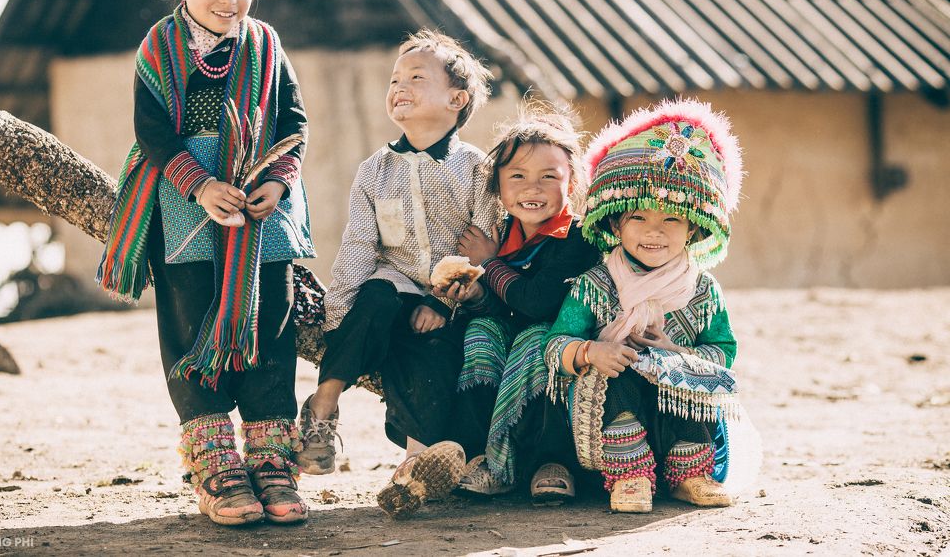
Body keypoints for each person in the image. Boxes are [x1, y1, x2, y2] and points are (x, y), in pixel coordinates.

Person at [97, 0, 315, 526]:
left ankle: (272, 463)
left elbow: (293, 124)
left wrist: (276, 180)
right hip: (183, 204)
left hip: (260, 210)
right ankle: (218, 466)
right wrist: (201, 186)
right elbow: (153, 134)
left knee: (270, 324)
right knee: (190, 323)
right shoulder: (159, 48)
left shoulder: (266, 45)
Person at [295, 29, 499, 518]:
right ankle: (323, 405)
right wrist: (337, 319)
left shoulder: (477, 169)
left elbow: (484, 245)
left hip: (454, 300)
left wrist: (442, 302)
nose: (399, 87)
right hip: (393, 286)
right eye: (394, 79)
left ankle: (414, 466)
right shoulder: (374, 171)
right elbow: (359, 247)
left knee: (426, 353)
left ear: (456, 99)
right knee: (376, 296)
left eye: (416, 78)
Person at [542, 98, 746, 513]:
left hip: (679, 416)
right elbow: (555, 343)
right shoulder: (594, 285)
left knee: (688, 373)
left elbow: (724, 351)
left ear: (693, 230)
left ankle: (690, 474)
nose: (654, 232)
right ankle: (629, 476)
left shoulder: (703, 290)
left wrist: (676, 354)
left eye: (671, 220)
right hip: (613, 417)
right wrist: (592, 352)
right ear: (615, 224)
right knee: (620, 370)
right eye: (638, 218)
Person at [433, 105, 599, 504]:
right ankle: (483, 458)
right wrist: (476, 297)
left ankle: (551, 462)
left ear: (572, 181)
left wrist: (489, 263)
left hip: (561, 345)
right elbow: (502, 309)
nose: (532, 188)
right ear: (497, 185)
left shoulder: (578, 237)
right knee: (480, 331)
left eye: (549, 177)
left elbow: (537, 304)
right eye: (517, 176)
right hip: (512, 339)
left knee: (536, 339)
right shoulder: (500, 233)